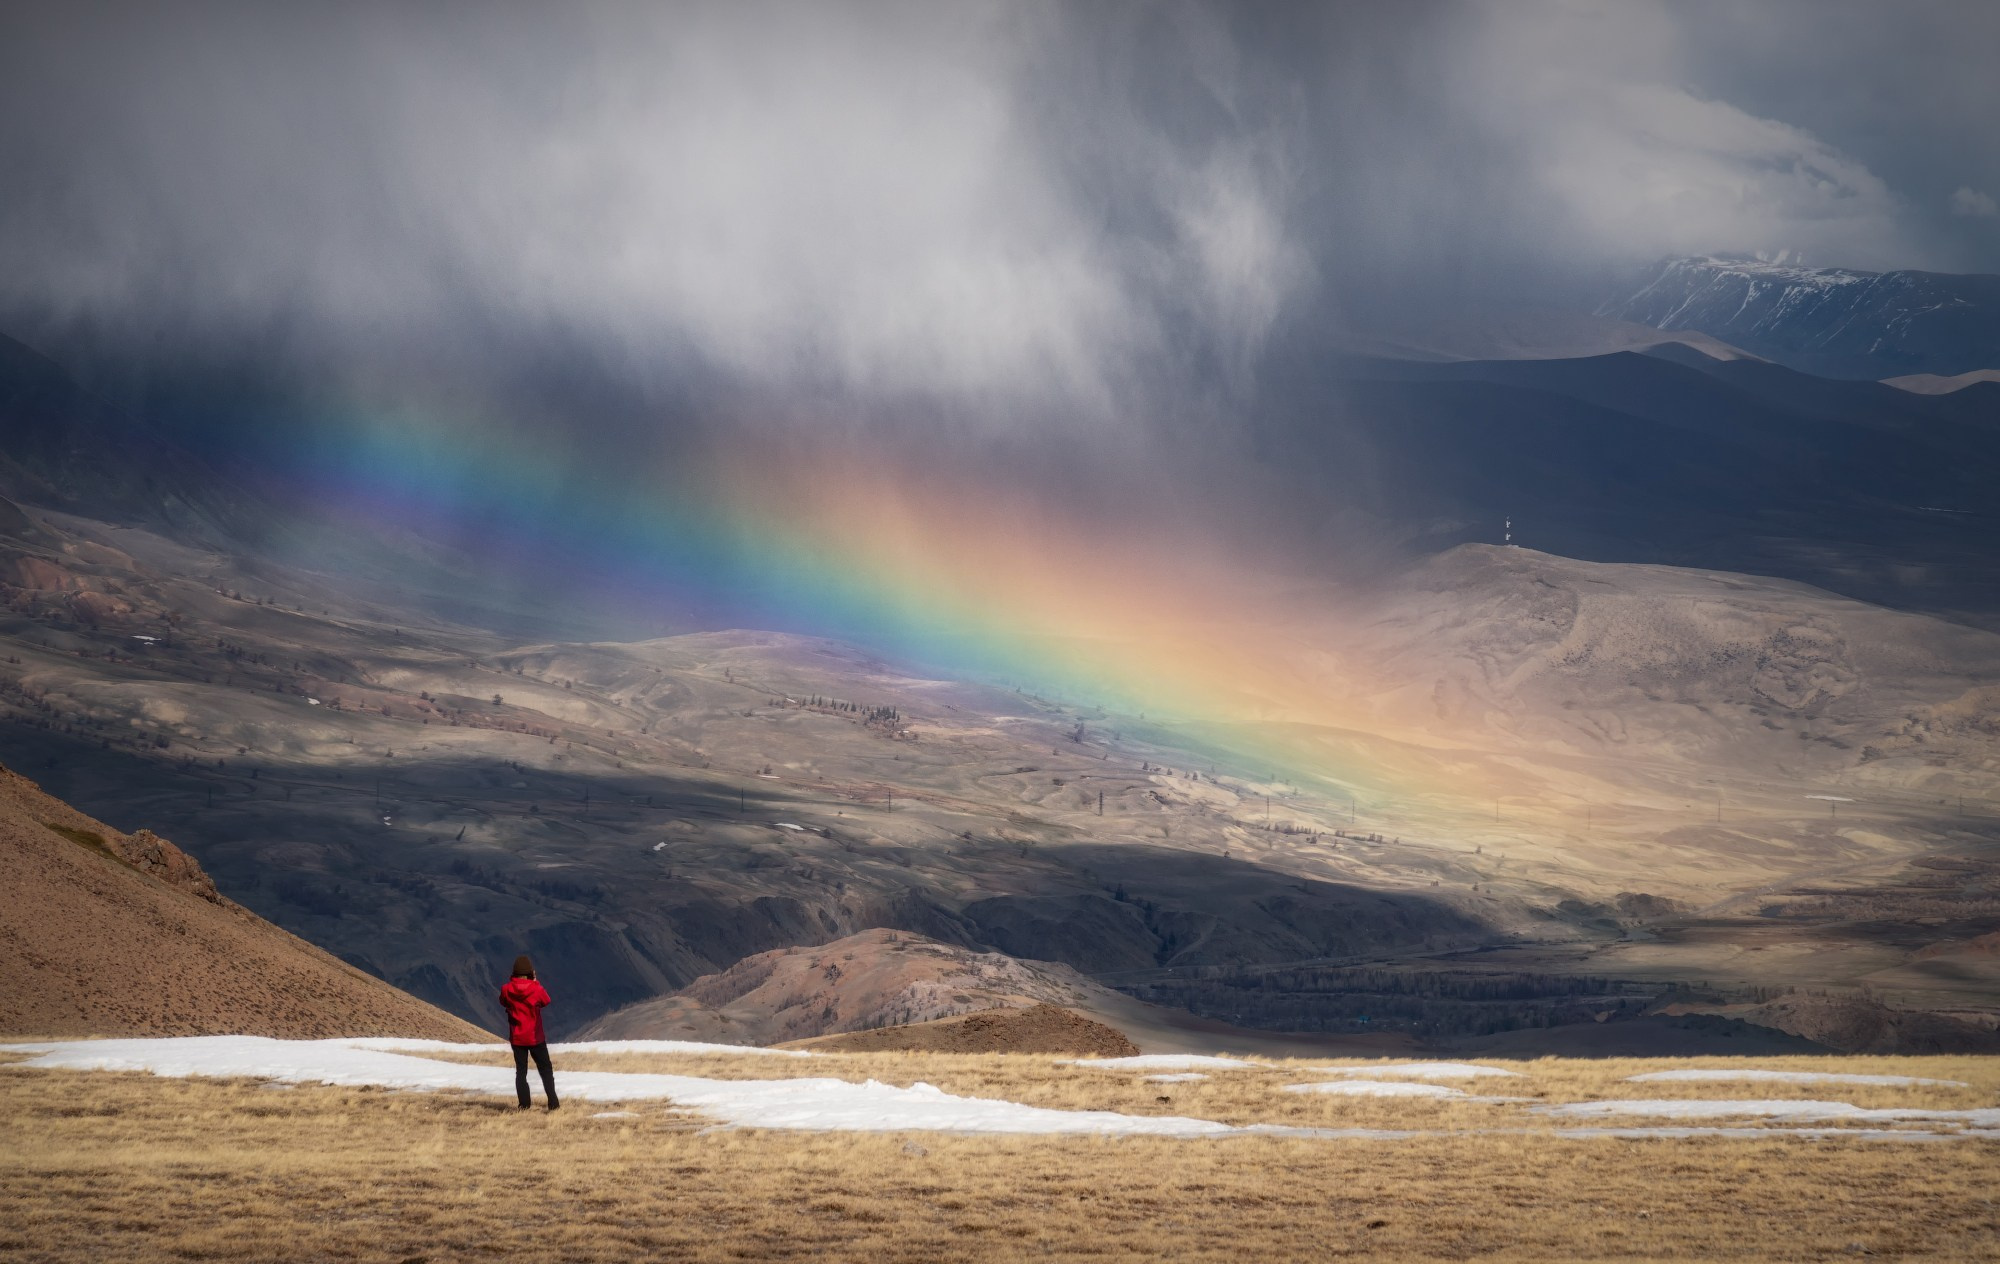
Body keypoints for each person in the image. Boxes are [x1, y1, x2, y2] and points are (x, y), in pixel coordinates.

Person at [499, 955, 559, 1110]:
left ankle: (524, 1105)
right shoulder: (536, 989)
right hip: (535, 1037)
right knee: (545, 1069)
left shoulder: (506, 989)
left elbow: (502, 1001)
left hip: (517, 1037)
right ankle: (553, 1104)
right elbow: (546, 1001)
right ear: (530, 972)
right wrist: (535, 982)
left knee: (521, 1072)